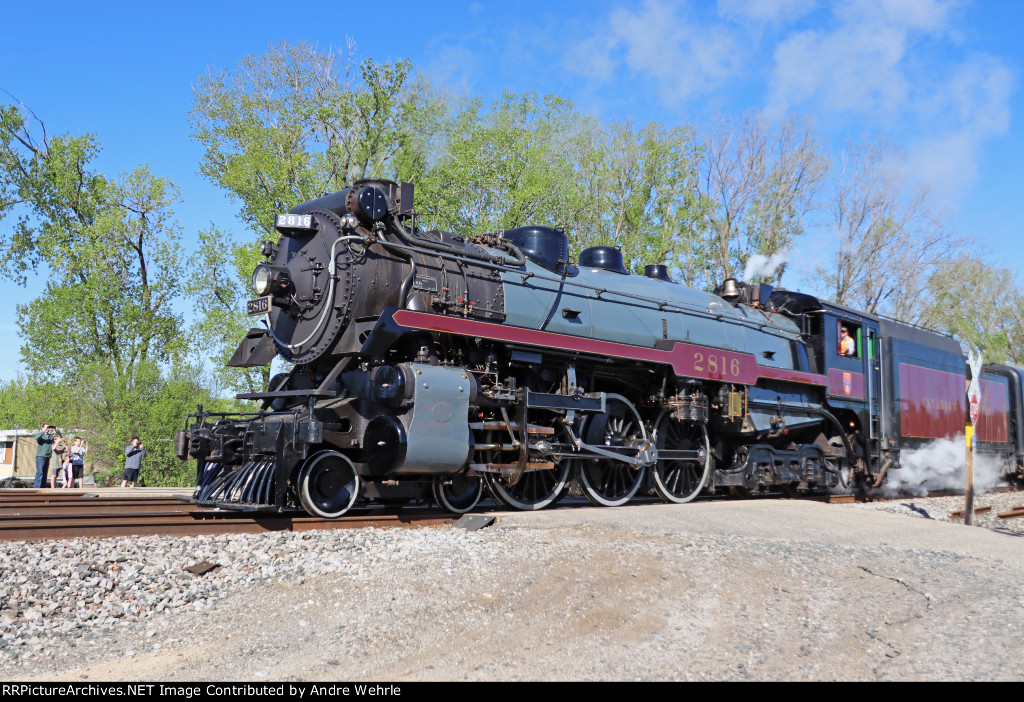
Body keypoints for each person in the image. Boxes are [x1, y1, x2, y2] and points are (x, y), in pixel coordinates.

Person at [33, 424, 62, 488]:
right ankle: (36, 488)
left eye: (48, 428)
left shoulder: (50, 436)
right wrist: (43, 430)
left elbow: (59, 437)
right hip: (40, 456)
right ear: (42, 428)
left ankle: (43, 487)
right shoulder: (41, 436)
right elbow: (36, 437)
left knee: (44, 473)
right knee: (40, 472)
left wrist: (56, 429)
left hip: (47, 457)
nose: (47, 429)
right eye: (46, 428)